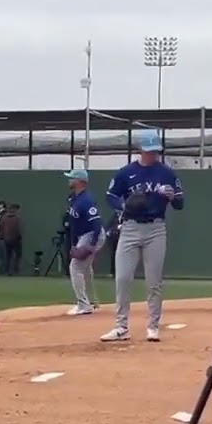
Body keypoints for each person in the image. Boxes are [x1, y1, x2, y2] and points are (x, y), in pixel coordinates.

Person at [101, 132, 184, 343]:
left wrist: (172, 197)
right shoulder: (126, 172)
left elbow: (180, 203)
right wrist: (123, 206)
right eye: (150, 151)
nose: (153, 154)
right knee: (122, 277)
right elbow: (110, 195)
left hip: (155, 228)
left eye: (156, 151)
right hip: (129, 227)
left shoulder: (166, 173)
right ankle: (121, 326)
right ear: (141, 150)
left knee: (153, 281)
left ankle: (153, 326)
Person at [63, 169, 103, 315]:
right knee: (85, 268)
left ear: (79, 181)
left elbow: (96, 223)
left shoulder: (86, 200)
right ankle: (92, 301)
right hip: (83, 236)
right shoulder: (74, 198)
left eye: (71, 178)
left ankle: (84, 305)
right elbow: (74, 223)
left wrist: (92, 244)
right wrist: (75, 243)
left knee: (75, 267)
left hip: (92, 234)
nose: (69, 180)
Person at [0, 202, 23, 275]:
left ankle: (7, 271)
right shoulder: (17, 217)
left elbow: (1, 228)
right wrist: (19, 237)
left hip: (6, 239)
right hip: (16, 239)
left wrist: (2, 237)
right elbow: (18, 229)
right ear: (17, 209)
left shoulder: (4, 217)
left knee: (8, 256)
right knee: (18, 255)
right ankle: (15, 270)